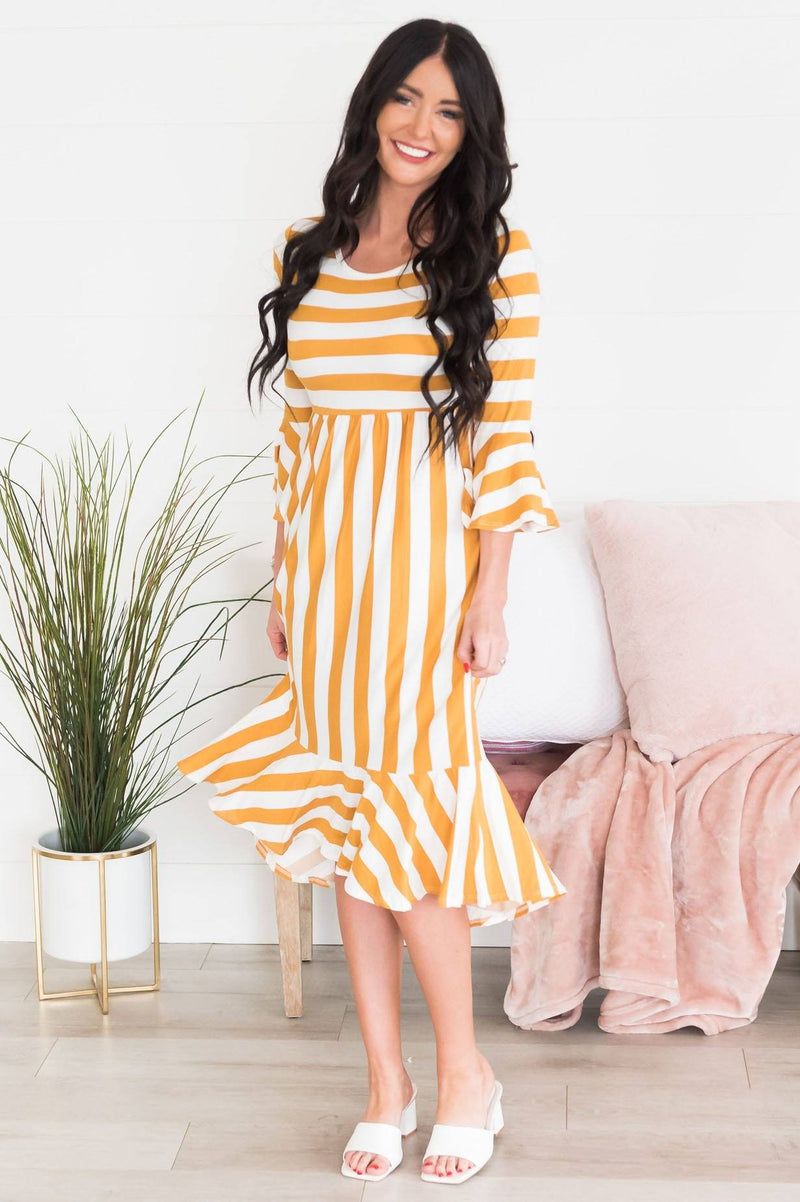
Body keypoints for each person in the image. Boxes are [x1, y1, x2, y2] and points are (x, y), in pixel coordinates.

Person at [176, 17, 567, 1186]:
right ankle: (386, 1084)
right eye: (405, 99)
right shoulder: (308, 249)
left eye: (448, 111)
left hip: (426, 588)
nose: (420, 126)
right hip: (331, 594)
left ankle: (464, 1074)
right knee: (352, 820)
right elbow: (299, 441)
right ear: (371, 106)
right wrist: (287, 578)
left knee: (408, 824)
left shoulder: (493, 256)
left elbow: (503, 440)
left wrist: (490, 594)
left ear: (470, 133)